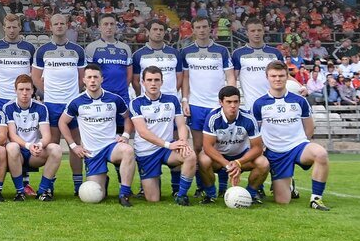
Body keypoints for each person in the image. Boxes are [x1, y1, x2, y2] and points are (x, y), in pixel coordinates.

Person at [252, 61, 331, 210]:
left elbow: (309, 127)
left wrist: (303, 144)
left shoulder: (299, 101)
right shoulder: (259, 104)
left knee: (320, 153)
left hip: (298, 147)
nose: (277, 79)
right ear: (267, 77)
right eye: (273, 76)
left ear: (287, 77)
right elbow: (256, 132)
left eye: (281, 75)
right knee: (282, 201)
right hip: (276, 153)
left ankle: (316, 199)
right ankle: (290, 183)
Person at [60, 64, 135, 207]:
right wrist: (73, 146)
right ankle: (103, 180)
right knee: (95, 196)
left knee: (128, 151)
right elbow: (62, 122)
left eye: (96, 77)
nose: (92, 80)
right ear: (84, 80)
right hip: (92, 153)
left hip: (111, 147)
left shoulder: (114, 99)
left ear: (102, 79)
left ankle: (124, 193)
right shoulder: (76, 102)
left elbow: (127, 118)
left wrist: (125, 135)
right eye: (89, 77)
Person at [180, 16, 235, 197]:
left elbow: (230, 77)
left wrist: (230, 100)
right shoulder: (186, 51)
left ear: (210, 29)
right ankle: (201, 185)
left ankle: (223, 186)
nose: (201, 30)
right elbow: (186, 78)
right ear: (193, 30)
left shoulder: (222, 51)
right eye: (198, 27)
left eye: (204, 27)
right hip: (196, 106)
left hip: (216, 106)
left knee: (221, 147)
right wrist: (185, 100)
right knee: (197, 147)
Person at [32, 13, 86, 194]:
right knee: (53, 144)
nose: (60, 26)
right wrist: (50, 94)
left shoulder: (77, 50)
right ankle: (49, 185)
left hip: (72, 105)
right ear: (50, 26)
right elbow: (36, 77)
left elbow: (82, 77)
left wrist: (73, 96)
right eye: (56, 24)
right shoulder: (42, 50)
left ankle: (78, 185)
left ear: (67, 26)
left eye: (63, 23)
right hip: (52, 105)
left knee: (76, 144)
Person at [129, 66, 195, 205]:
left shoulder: (172, 100)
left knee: (190, 155)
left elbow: (182, 125)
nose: (153, 83)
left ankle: (181, 195)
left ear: (162, 82)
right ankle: (153, 179)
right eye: (149, 80)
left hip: (167, 150)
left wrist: (182, 142)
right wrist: (169, 144)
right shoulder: (136, 103)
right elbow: (143, 132)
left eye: (156, 80)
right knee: (153, 199)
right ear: (143, 82)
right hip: (146, 153)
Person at [199, 85, 269, 205]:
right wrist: (227, 165)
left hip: (241, 157)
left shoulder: (248, 119)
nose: (233, 106)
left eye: (236, 102)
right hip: (219, 157)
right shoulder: (213, 118)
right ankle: (211, 195)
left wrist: (238, 162)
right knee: (203, 159)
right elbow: (208, 147)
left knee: (263, 163)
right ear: (221, 102)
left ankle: (250, 195)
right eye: (229, 102)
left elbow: (257, 148)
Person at [4, 74, 62, 201]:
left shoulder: (41, 108)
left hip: (34, 153)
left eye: (28, 89)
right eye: (21, 89)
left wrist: (39, 145)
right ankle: (20, 192)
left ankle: (42, 191)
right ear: (15, 91)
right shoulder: (8, 107)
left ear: (32, 91)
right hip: (18, 152)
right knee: (12, 147)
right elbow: (12, 135)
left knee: (56, 149)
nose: (24, 93)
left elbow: (47, 135)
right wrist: (28, 145)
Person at [84, 13, 133, 121]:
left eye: (112, 24)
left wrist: (122, 87)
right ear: (99, 27)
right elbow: (87, 73)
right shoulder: (91, 48)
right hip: (101, 95)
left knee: (123, 128)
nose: (109, 27)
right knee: (102, 126)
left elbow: (129, 73)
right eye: (105, 24)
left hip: (122, 95)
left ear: (116, 26)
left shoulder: (125, 48)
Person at [232, 18, 285, 111]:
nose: (256, 33)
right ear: (247, 33)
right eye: (252, 31)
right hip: (251, 107)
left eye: (259, 30)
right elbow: (233, 78)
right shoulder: (238, 54)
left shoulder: (275, 53)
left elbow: (285, 76)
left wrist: (300, 86)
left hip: (274, 105)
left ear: (263, 32)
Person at [0, 13, 35, 111]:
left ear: (20, 27)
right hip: (1, 98)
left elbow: (33, 73)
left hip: (23, 98)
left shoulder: (30, 48)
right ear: (4, 28)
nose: (11, 30)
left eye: (14, 27)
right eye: (8, 27)